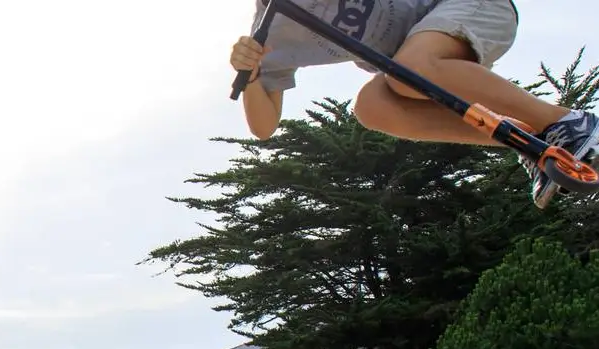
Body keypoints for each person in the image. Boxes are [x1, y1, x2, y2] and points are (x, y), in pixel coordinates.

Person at [231, 0, 599, 209]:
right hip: (424, 67)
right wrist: (249, 73)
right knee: (372, 105)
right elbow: (264, 127)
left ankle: (570, 122)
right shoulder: (273, 28)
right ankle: (528, 140)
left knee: (407, 70)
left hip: (472, 8)